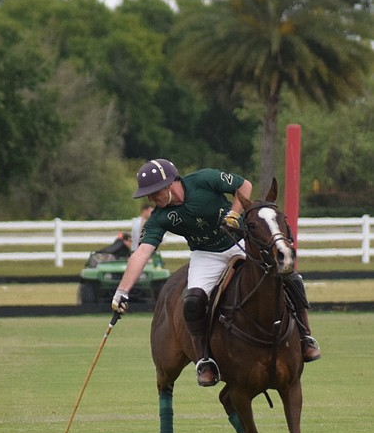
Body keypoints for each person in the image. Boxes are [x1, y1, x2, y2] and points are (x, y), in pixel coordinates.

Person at [111, 158, 321, 387]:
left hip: (240, 242)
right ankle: (204, 360)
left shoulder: (203, 180)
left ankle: (305, 337)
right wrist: (122, 291)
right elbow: (141, 253)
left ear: (170, 184)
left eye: (153, 192)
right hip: (206, 255)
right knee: (193, 300)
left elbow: (245, 186)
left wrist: (234, 213)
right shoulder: (160, 218)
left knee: (291, 278)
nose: (151, 199)